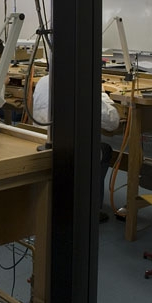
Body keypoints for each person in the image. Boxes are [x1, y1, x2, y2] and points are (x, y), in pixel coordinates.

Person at [32, 72, 120, 222]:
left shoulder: (43, 80)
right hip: (69, 147)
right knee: (105, 150)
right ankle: (91, 209)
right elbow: (113, 122)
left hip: (41, 139)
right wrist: (101, 93)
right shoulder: (83, 85)